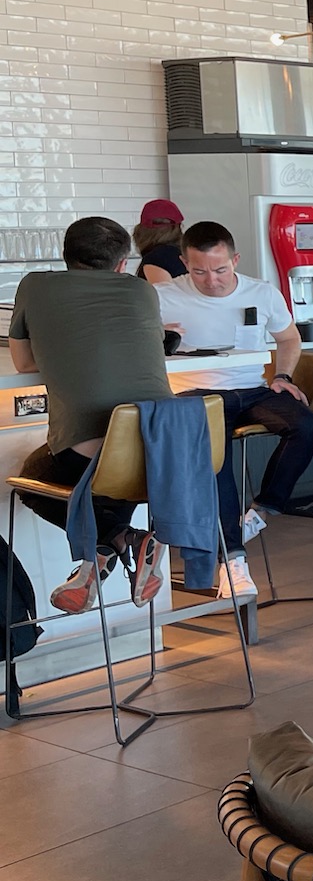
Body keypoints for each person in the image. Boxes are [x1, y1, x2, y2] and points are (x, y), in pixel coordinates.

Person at [5, 217, 173, 613]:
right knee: (119, 474)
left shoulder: (35, 285)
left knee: (31, 481)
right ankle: (116, 544)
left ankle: (113, 542)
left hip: (88, 452)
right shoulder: (141, 291)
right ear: (122, 263)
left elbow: (23, 361)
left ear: (65, 257)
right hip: (164, 448)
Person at [155, 221, 313, 597]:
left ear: (235, 260)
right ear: (184, 262)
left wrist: (283, 375)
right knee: (218, 463)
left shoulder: (261, 292)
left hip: (251, 390)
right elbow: (139, 351)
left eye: (220, 269)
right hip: (194, 396)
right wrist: (159, 338)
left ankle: (262, 511)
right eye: (198, 271)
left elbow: (289, 338)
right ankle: (233, 562)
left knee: (306, 425)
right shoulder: (161, 296)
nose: (211, 280)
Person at [133, 199, 187, 284]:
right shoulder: (186, 253)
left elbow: (162, 296)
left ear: (140, 230)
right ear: (178, 228)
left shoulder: (156, 258)